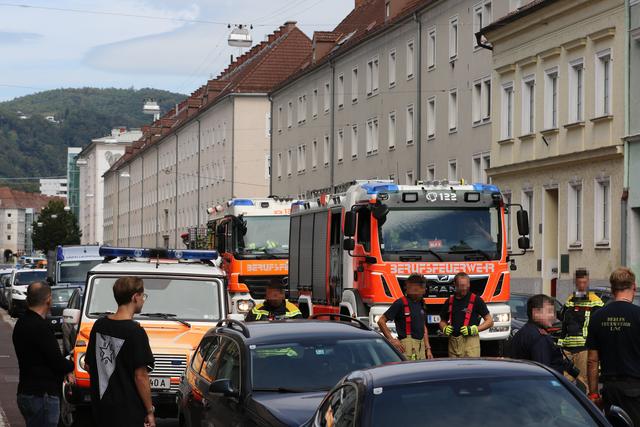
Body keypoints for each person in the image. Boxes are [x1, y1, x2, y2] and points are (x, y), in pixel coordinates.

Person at [85, 276, 155, 427]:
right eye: (143, 295)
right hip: (128, 412)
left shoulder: (99, 325)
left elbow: (89, 366)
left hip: (101, 409)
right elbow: (140, 376)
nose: (143, 299)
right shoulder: (136, 332)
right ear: (135, 297)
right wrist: (149, 410)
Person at [12, 282, 74, 427]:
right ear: (48, 300)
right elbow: (56, 362)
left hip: (25, 392)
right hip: (42, 395)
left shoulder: (21, 323)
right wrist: (71, 363)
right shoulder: (41, 327)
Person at [586, 267, 640, 425]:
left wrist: (594, 394)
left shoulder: (598, 316)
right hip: (635, 389)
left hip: (610, 390)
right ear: (634, 287)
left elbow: (592, 360)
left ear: (612, 289)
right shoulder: (638, 315)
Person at [559, 269, 603, 388]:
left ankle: (585, 406)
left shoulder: (596, 302)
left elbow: (598, 327)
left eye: (584, 283)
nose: (582, 286)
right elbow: (563, 323)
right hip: (567, 349)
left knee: (584, 382)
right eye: (579, 283)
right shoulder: (570, 300)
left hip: (584, 349)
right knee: (564, 383)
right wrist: (560, 345)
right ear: (575, 283)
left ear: (588, 282)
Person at [378, 274, 434, 360]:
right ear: (416, 288)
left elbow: (423, 327)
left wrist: (428, 349)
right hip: (407, 348)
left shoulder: (421, 303)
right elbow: (381, 321)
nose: (425, 290)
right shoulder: (400, 303)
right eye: (423, 288)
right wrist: (392, 340)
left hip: (421, 348)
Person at [439, 272, 493, 357]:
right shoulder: (449, 301)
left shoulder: (476, 300)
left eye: (466, 285)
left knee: (471, 369)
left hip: (471, 343)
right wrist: (444, 328)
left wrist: (475, 329)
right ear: (455, 285)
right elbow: (442, 321)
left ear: (469, 284)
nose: (464, 288)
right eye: (461, 286)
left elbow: (490, 321)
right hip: (453, 344)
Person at [510, 294, 564, 373]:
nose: (552, 316)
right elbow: (543, 371)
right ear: (535, 313)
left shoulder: (523, 332)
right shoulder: (539, 338)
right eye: (549, 311)